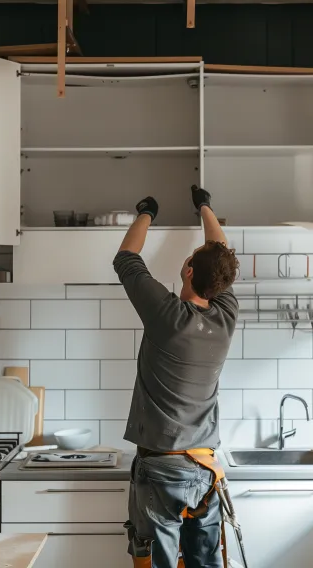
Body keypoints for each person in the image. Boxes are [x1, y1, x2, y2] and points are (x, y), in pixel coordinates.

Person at [113, 186, 240, 568]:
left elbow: (126, 259)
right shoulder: (225, 316)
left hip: (163, 467)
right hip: (205, 468)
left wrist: (146, 212)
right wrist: (205, 207)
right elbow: (219, 251)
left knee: (158, 561)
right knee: (205, 563)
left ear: (186, 271)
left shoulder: (168, 316)